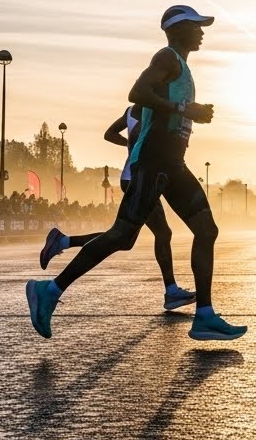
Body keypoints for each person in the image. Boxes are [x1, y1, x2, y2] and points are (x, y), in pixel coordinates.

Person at [25, 4, 246, 341]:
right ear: (177, 29)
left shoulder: (181, 66)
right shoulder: (168, 58)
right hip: (153, 162)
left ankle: (204, 315)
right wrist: (184, 108)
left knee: (206, 230)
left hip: (172, 164)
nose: (202, 31)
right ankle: (49, 290)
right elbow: (137, 93)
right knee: (122, 236)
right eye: (196, 26)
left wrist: (189, 113)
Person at [38, 104, 196, 311]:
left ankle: (63, 241)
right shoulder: (153, 110)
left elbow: (110, 134)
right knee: (162, 233)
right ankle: (171, 291)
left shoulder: (132, 110)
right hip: (139, 178)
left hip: (132, 176)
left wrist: (131, 145)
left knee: (125, 239)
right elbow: (142, 134)